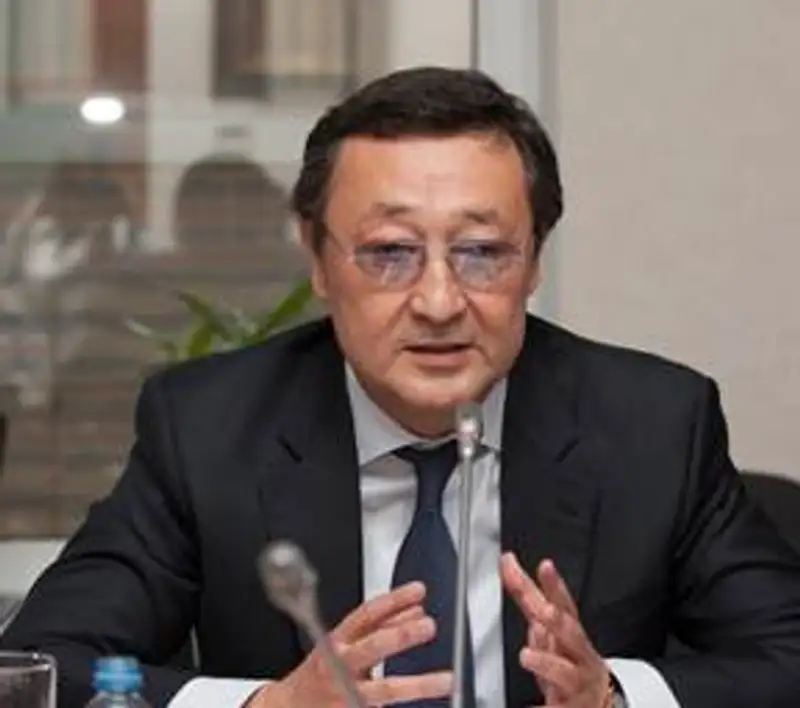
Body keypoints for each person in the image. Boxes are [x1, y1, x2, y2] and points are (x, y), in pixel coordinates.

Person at [3, 66, 800, 708]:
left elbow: (787, 655)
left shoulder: (653, 426)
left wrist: (614, 697)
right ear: (318, 260)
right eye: (389, 253)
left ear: (534, 259)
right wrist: (266, 706)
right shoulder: (209, 429)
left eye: (482, 252)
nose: (440, 302)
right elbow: (39, 667)